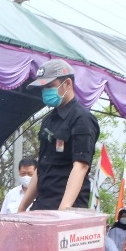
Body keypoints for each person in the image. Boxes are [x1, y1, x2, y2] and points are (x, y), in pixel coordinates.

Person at [17, 61, 100, 211]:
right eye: (43, 88)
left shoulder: (82, 119)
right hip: (42, 205)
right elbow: (40, 168)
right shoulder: (48, 120)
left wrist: (63, 211)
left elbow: (81, 167)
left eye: (50, 86)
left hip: (67, 208)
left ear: (67, 83)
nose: (45, 91)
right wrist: (22, 208)